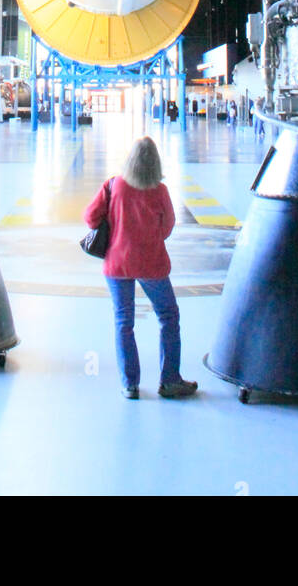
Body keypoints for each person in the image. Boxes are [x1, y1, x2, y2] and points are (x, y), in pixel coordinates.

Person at [84, 136, 197, 401]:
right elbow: (168, 227)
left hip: (117, 263)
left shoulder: (114, 185)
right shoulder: (160, 191)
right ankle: (169, 380)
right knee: (168, 317)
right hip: (152, 264)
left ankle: (129, 384)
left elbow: (90, 217)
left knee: (124, 322)